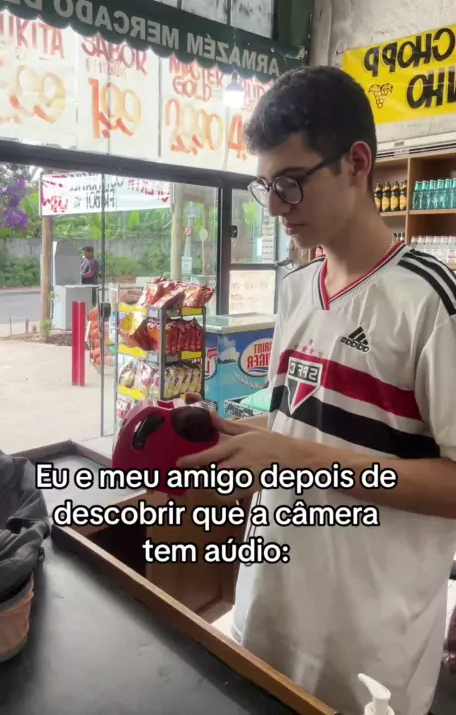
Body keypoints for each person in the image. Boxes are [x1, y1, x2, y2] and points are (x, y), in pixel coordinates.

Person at [178, 66, 456, 715]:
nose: (275, 207)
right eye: (266, 187)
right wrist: (232, 442)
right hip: (266, 611)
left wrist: (296, 458)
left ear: (356, 164)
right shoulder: (296, 289)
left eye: (291, 183)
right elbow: (299, 432)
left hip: (368, 653)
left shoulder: (430, 303)